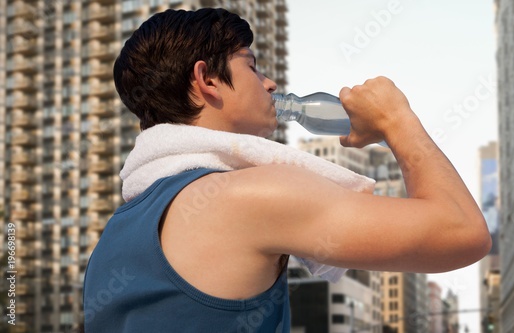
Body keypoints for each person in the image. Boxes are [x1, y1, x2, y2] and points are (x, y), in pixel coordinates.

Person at [82, 8, 490, 332]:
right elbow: (463, 232)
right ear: (206, 79)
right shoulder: (247, 196)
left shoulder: (113, 239)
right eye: (251, 66)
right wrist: (398, 121)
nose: (271, 83)